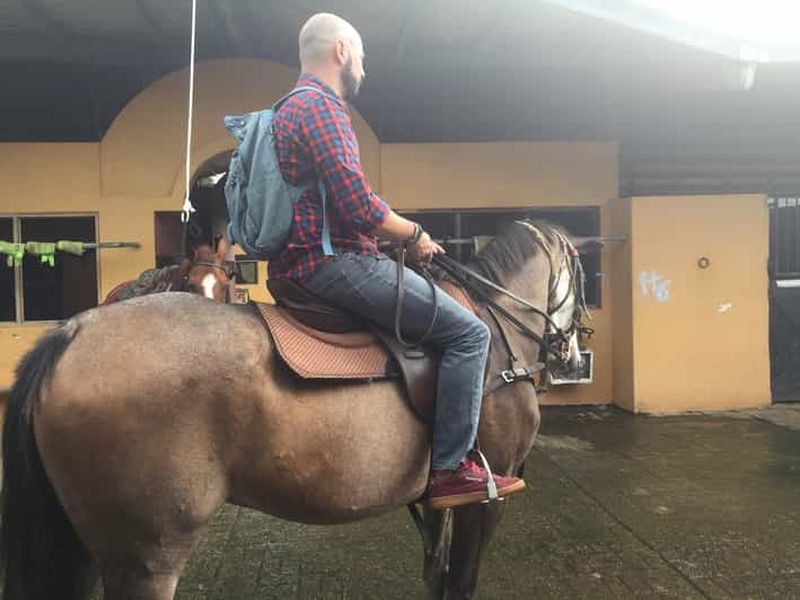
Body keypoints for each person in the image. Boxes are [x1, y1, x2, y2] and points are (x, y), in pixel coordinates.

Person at [268, 12, 525, 509]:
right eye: (361, 56)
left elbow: (332, 204)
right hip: (332, 264)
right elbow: (357, 204)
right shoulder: (322, 107)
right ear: (341, 50)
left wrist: (391, 240)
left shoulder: (284, 110)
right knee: (471, 333)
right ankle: (450, 469)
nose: (363, 67)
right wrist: (415, 233)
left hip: (298, 264)